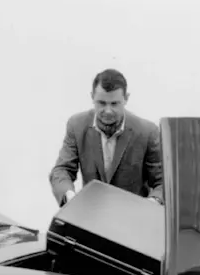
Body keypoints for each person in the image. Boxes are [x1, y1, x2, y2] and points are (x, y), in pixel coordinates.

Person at [48, 68, 164, 207]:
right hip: (90, 214)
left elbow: (163, 182)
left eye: (114, 104)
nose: (108, 111)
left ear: (126, 98)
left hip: (133, 216)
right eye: (102, 103)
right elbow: (61, 170)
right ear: (92, 97)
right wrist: (70, 198)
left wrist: (151, 204)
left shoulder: (148, 131)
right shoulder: (76, 125)